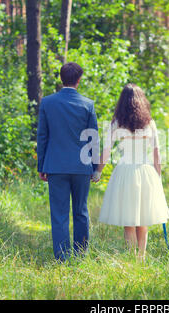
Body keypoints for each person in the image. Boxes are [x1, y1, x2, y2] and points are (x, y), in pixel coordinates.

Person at [92, 83, 169, 261]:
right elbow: (156, 153)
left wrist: (98, 171)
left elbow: (106, 150)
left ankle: (131, 258)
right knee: (143, 220)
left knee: (129, 220)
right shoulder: (150, 123)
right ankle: (140, 259)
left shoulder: (117, 123)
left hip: (125, 172)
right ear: (142, 101)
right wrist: (158, 176)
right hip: (146, 171)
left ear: (122, 102)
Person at [37, 62, 99, 262]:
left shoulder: (47, 103)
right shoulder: (87, 104)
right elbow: (93, 138)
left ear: (61, 78)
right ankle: (80, 255)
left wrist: (41, 166)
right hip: (82, 167)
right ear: (79, 80)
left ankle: (62, 258)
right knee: (81, 210)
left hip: (55, 166)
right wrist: (95, 167)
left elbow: (42, 136)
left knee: (59, 213)